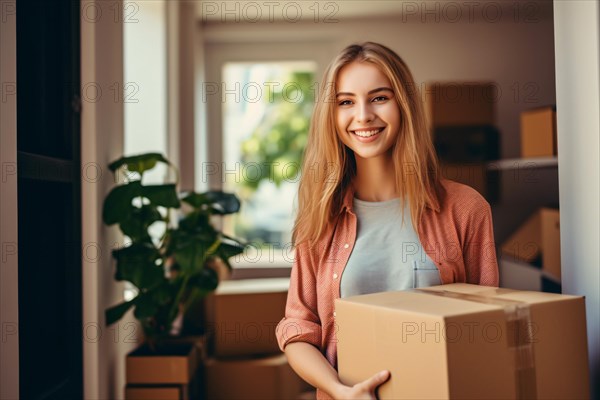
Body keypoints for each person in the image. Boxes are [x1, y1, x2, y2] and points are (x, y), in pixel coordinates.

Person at [275, 42, 499, 400]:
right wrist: (339, 391)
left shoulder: (466, 208)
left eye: (379, 97)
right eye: (346, 102)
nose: (362, 115)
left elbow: (489, 330)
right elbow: (299, 330)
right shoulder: (319, 219)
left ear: (404, 105)